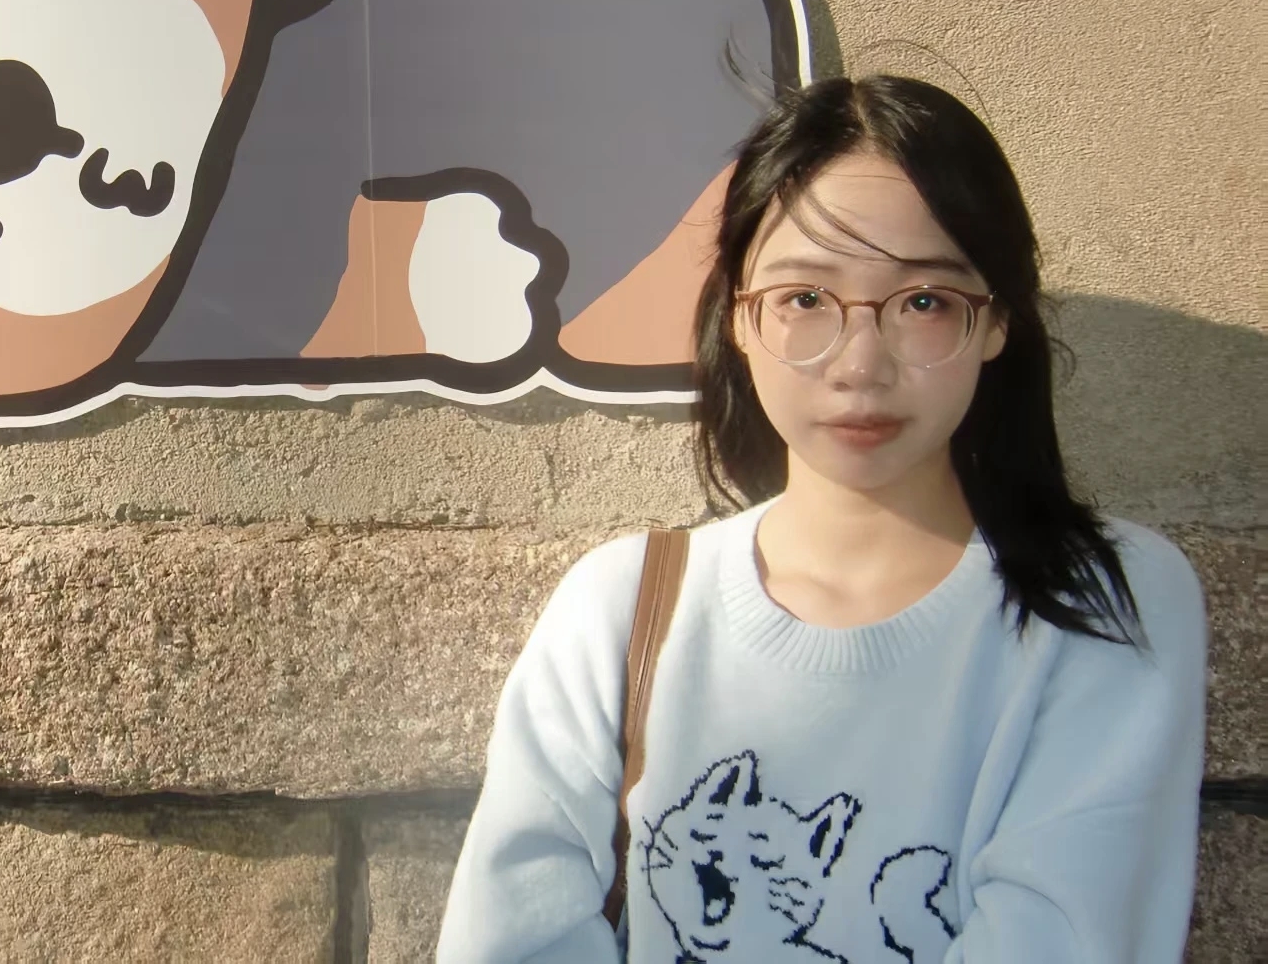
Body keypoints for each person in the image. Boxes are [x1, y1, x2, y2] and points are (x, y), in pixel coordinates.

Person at [436, 75, 1208, 962]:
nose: (860, 364)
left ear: (997, 321)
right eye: (805, 298)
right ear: (738, 316)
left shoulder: (1102, 602)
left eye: (924, 300)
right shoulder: (620, 607)